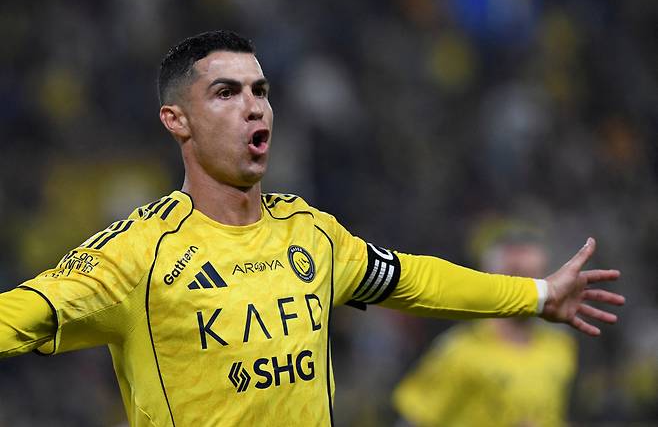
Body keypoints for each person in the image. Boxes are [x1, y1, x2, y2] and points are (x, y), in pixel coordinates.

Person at [0, 30, 623, 427]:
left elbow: (411, 279)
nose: (253, 106)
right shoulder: (138, 253)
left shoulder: (310, 234)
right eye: (225, 92)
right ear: (176, 120)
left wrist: (537, 295)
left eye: (260, 90)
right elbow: (21, 315)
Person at [393, 223, 577, 427]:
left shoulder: (560, 346)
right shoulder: (459, 352)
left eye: (534, 279)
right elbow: (414, 421)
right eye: (515, 277)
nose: (525, 290)